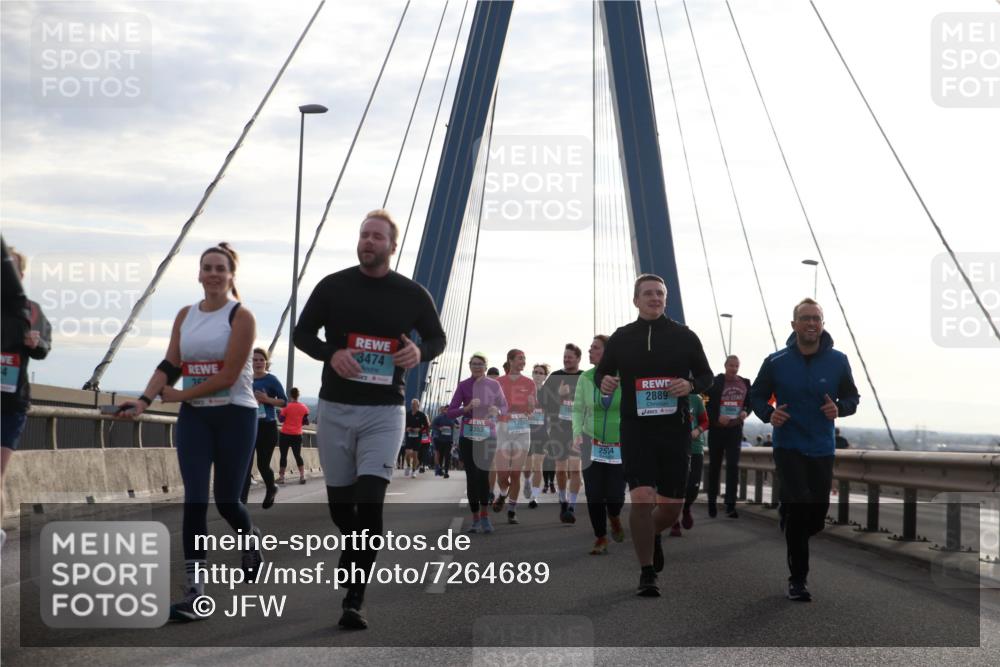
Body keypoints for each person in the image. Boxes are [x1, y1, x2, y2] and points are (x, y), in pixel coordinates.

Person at [293, 209, 446, 629]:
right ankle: (350, 543)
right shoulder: (333, 286)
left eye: (377, 237)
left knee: (370, 503)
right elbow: (301, 333)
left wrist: (420, 353)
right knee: (342, 509)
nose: (368, 242)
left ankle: (355, 598)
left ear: (391, 246)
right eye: (364, 235)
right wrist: (332, 353)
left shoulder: (412, 294)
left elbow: (437, 337)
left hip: (384, 412)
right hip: (337, 409)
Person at [118, 243, 261, 622]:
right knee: (195, 500)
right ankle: (196, 591)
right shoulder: (185, 315)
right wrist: (144, 400)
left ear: (231, 276)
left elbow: (229, 376)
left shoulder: (241, 317)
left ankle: (249, 537)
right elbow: (170, 363)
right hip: (196, 419)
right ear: (199, 275)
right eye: (207, 268)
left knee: (228, 500)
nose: (213, 274)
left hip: (235, 415)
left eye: (221, 268)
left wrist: (181, 394)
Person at [596, 274, 713, 596]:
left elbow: (707, 376)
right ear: (636, 300)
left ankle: (652, 534)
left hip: (675, 431)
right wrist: (604, 382)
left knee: (671, 508)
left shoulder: (685, 336)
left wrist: (690, 385)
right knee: (642, 498)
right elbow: (603, 373)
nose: (654, 298)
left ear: (666, 299)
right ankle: (647, 572)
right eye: (647, 294)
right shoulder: (622, 338)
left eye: (659, 294)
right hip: (636, 430)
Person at [750, 298, 859, 602]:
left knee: (816, 516)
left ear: (822, 325)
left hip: (822, 447)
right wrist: (769, 414)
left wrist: (839, 408)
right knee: (800, 507)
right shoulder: (777, 361)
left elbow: (852, 398)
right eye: (806, 318)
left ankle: (791, 518)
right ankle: (798, 580)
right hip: (788, 445)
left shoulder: (838, 360)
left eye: (817, 319)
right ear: (794, 325)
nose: (812, 323)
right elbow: (756, 396)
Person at [1, 243, 51, 544]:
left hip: (12, 402)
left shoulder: (31, 310)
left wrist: (36, 343)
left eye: (14, 270)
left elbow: (45, 346)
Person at [572, 335, 625, 555]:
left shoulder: (625, 377)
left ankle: (614, 516)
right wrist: (576, 433)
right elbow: (577, 409)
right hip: (591, 441)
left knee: (616, 496)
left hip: (619, 445)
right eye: (590, 347)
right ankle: (601, 537)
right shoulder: (586, 377)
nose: (590, 350)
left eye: (595, 347)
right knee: (594, 494)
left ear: (608, 352)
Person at [447, 353, 507, 534]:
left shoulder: (494, 385)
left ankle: (484, 515)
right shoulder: (463, 385)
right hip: (468, 436)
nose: (477, 367)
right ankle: (475, 518)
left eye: (480, 364)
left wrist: (497, 409)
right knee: (472, 477)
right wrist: (466, 408)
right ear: (469, 366)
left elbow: (505, 407)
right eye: (474, 364)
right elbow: (450, 412)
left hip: (488, 435)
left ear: (486, 366)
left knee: (483, 475)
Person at [540, 343, 585, 523]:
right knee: (560, 470)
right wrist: (559, 396)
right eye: (565, 357)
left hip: (578, 430)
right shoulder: (555, 377)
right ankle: (563, 501)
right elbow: (542, 402)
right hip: (558, 429)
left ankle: (572, 506)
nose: (566, 360)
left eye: (570, 357)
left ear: (578, 359)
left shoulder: (585, 378)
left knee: (575, 468)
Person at [705, 355, 752, 519]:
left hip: (734, 430)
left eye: (736, 366)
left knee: (733, 466)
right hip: (717, 430)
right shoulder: (715, 382)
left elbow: (750, 401)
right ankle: (712, 503)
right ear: (725, 365)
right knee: (715, 467)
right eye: (731, 365)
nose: (734, 368)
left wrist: (746, 410)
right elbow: (704, 400)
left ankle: (730, 506)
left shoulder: (745, 382)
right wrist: (716, 416)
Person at [493, 349, 537, 524]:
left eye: (524, 358)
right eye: (520, 358)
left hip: (522, 429)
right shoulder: (498, 382)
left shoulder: (529, 383)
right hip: (503, 428)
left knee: (516, 473)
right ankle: (503, 494)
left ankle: (512, 510)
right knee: (503, 475)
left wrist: (532, 406)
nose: (523, 361)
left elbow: (531, 409)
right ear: (510, 360)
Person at [241, 347, 287, 509]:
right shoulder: (245, 379)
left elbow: (284, 402)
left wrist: (267, 399)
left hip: (267, 426)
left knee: (262, 465)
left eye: (261, 359)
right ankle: (241, 504)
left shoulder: (271, 380)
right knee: (245, 465)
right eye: (255, 360)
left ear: (266, 362)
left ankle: (271, 488)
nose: (258, 362)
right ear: (250, 362)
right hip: (247, 426)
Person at [671, 392, 708, 536]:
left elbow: (705, 421)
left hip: (695, 447)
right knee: (675, 486)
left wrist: (697, 430)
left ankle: (686, 508)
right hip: (673, 448)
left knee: (693, 486)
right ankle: (674, 521)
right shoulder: (666, 396)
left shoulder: (696, 399)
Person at [527, 363, 551, 505]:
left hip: (542, 433)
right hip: (525, 432)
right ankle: (527, 483)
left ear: (545, 376)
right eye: (535, 371)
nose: (537, 374)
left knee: (538, 465)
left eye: (541, 373)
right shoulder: (525, 390)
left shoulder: (548, 393)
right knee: (527, 466)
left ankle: (534, 496)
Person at [278, 387, 310, 484]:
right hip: (297, 434)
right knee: (298, 455)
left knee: (283, 456)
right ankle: (302, 476)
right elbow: (305, 421)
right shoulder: (304, 407)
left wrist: (278, 413)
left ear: (290, 395)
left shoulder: (286, 407)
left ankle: (282, 478)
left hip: (285, 434)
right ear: (298, 395)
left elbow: (281, 420)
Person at [404, 399, 430, 477]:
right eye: (412, 404)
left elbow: (426, 426)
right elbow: (403, 424)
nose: (413, 406)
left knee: (415, 454)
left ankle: (414, 471)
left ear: (418, 405)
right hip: (409, 436)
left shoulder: (422, 415)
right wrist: (406, 428)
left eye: (415, 404)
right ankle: (408, 466)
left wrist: (420, 429)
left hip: (417, 437)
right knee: (408, 453)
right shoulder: (407, 414)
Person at [430, 405, 456, 478]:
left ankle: (446, 472)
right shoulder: (439, 417)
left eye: (449, 410)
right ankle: (440, 469)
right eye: (447, 410)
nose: (448, 411)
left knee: (447, 456)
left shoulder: (453, 418)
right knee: (441, 455)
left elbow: (457, 424)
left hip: (449, 440)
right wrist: (439, 428)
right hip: (440, 440)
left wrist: (457, 426)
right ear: (444, 410)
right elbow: (432, 425)